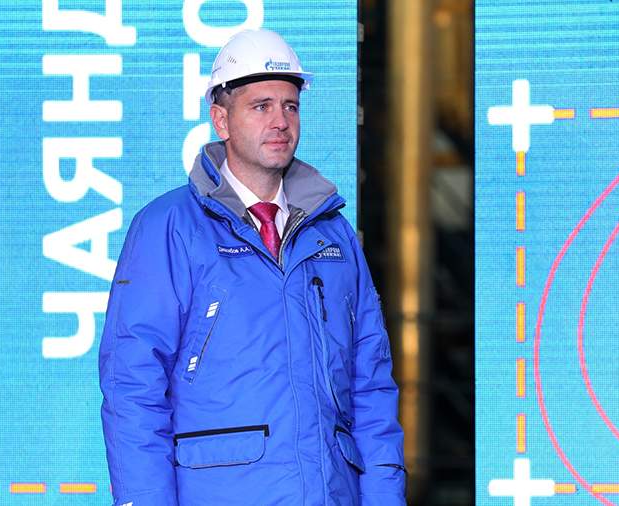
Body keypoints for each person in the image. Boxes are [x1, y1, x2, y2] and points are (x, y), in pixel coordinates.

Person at [98, 28, 406, 506]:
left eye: (290, 106)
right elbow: (133, 387)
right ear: (220, 119)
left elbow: (371, 385)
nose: (280, 121)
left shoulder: (334, 234)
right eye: (261, 106)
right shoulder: (169, 227)